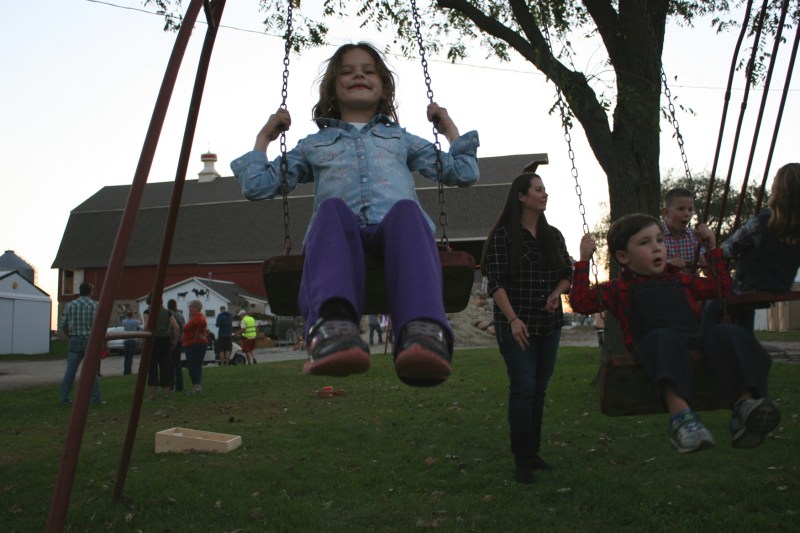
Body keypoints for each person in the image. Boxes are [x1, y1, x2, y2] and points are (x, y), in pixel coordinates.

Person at [230, 42, 480, 386]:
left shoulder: (401, 139)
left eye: (368, 70)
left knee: (408, 211)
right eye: (347, 71)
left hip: (396, 237)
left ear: (384, 86)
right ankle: (333, 329)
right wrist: (264, 138)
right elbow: (258, 185)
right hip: (339, 241)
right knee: (332, 210)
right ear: (333, 87)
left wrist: (448, 128)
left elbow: (463, 173)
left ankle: (422, 334)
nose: (358, 74)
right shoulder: (314, 144)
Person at [570, 213, 780, 453]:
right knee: (663, 338)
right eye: (645, 243)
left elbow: (722, 288)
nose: (657, 248)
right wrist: (584, 260)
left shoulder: (682, 280)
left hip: (692, 343)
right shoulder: (619, 289)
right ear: (623, 257)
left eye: (660, 240)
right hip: (654, 348)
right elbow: (581, 303)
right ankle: (682, 419)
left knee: (727, 332)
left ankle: (745, 407)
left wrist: (713, 248)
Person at [480, 173, 572, 484]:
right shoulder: (504, 236)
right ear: (521, 196)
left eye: (544, 189)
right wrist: (513, 318)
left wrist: (555, 294)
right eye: (538, 189)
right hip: (516, 325)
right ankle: (521, 462)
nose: (544, 194)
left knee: (539, 390)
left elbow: (566, 274)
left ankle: (533, 452)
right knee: (523, 388)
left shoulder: (554, 235)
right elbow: (496, 283)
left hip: (548, 323)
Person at [704, 163, 800, 332]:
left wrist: (711, 249)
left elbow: (729, 249)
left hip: (747, 286)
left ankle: (702, 341)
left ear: (777, 190)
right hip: (780, 286)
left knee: (714, 304)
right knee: (743, 304)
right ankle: (747, 344)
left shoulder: (762, 223)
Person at [59, 281, 103, 406]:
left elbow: (63, 324)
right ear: (90, 291)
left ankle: (64, 398)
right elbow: (100, 325)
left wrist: (71, 335)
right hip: (90, 340)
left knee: (70, 371)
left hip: (75, 339)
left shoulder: (71, 305)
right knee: (92, 371)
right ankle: (95, 398)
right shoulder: (96, 305)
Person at [143, 294, 180, 400]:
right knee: (165, 367)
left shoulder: (147, 312)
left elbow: (146, 327)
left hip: (152, 340)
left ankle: (151, 395)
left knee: (152, 368)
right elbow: (176, 327)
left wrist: (143, 338)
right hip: (165, 340)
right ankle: (166, 394)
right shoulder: (167, 312)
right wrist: (174, 340)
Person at [661, 187, 706, 272]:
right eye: (681, 209)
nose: (687, 214)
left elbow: (707, 271)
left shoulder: (693, 236)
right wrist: (667, 265)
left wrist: (707, 245)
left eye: (690, 209)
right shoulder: (657, 235)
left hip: (689, 284)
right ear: (666, 213)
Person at [182, 299, 208, 395]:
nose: (190, 308)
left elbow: (202, 323)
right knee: (193, 366)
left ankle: (197, 387)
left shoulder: (199, 316)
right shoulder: (193, 317)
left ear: (198, 308)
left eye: (192, 306)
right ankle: (197, 386)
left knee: (194, 366)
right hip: (191, 344)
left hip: (195, 345)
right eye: (190, 306)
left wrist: (198, 334)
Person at [167, 299, 186, 392]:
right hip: (180, 341)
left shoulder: (170, 314)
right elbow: (183, 327)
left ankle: (171, 385)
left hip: (172, 341)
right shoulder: (180, 315)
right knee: (177, 363)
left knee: (170, 364)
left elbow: (171, 328)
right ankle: (179, 385)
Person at [121, 310, 141, 376]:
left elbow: (122, 320)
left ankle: (125, 371)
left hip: (126, 340)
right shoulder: (135, 321)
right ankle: (129, 371)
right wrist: (139, 314)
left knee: (126, 356)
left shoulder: (124, 321)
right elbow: (141, 322)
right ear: (132, 315)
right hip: (133, 340)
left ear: (127, 315)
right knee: (130, 357)